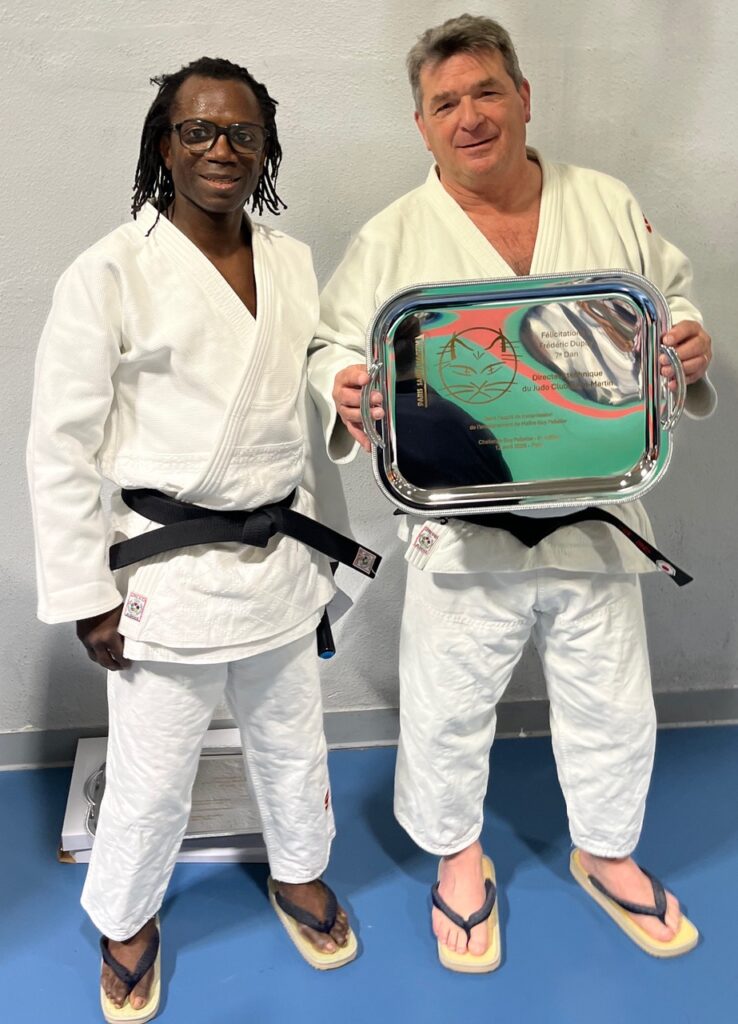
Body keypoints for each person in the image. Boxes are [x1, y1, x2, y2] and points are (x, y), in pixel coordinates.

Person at [308, 14, 715, 972]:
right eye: (445, 102)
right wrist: (342, 385)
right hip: (462, 525)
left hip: (595, 511)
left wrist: (689, 338)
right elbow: (332, 343)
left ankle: (606, 851)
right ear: (421, 124)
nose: (471, 116)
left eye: (487, 91)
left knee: (612, 700)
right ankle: (458, 859)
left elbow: (666, 300)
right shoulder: (392, 235)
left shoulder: (604, 201)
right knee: (447, 704)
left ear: (524, 98)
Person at [28, 57, 376, 1022]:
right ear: (164, 144)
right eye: (198, 131)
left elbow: (306, 380)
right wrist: (87, 593)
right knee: (152, 771)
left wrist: (345, 390)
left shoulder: (292, 261)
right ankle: (126, 915)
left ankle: (299, 869)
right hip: (167, 568)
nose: (222, 149)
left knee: (293, 740)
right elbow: (59, 443)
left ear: (266, 147)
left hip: (275, 559)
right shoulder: (110, 270)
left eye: (242, 133)